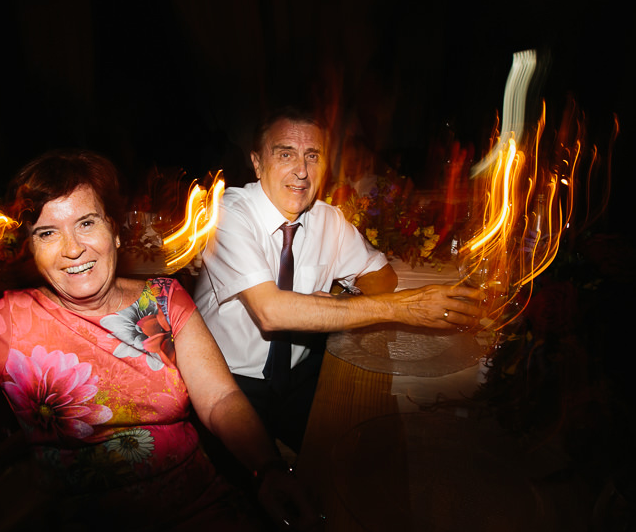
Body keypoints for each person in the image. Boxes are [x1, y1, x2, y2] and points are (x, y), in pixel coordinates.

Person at [0, 149, 321, 532]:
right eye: (48, 232)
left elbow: (220, 400)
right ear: (30, 247)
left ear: (115, 231)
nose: (72, 249)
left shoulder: (164, 299)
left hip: (200, 510)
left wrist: (267, 469)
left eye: (86, 223)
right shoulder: (11, 320)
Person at [193, 106, 483, 453]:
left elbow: (381, 276)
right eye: (285, 154)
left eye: (312, 156)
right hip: (226, 383)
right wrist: (407, 308)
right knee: (254, 495)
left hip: (299, 376)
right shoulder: (227, 213)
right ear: (257, 163)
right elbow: (271, 311)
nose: (301, 171)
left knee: (365, 452)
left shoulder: (328, 219)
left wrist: (341, 303)